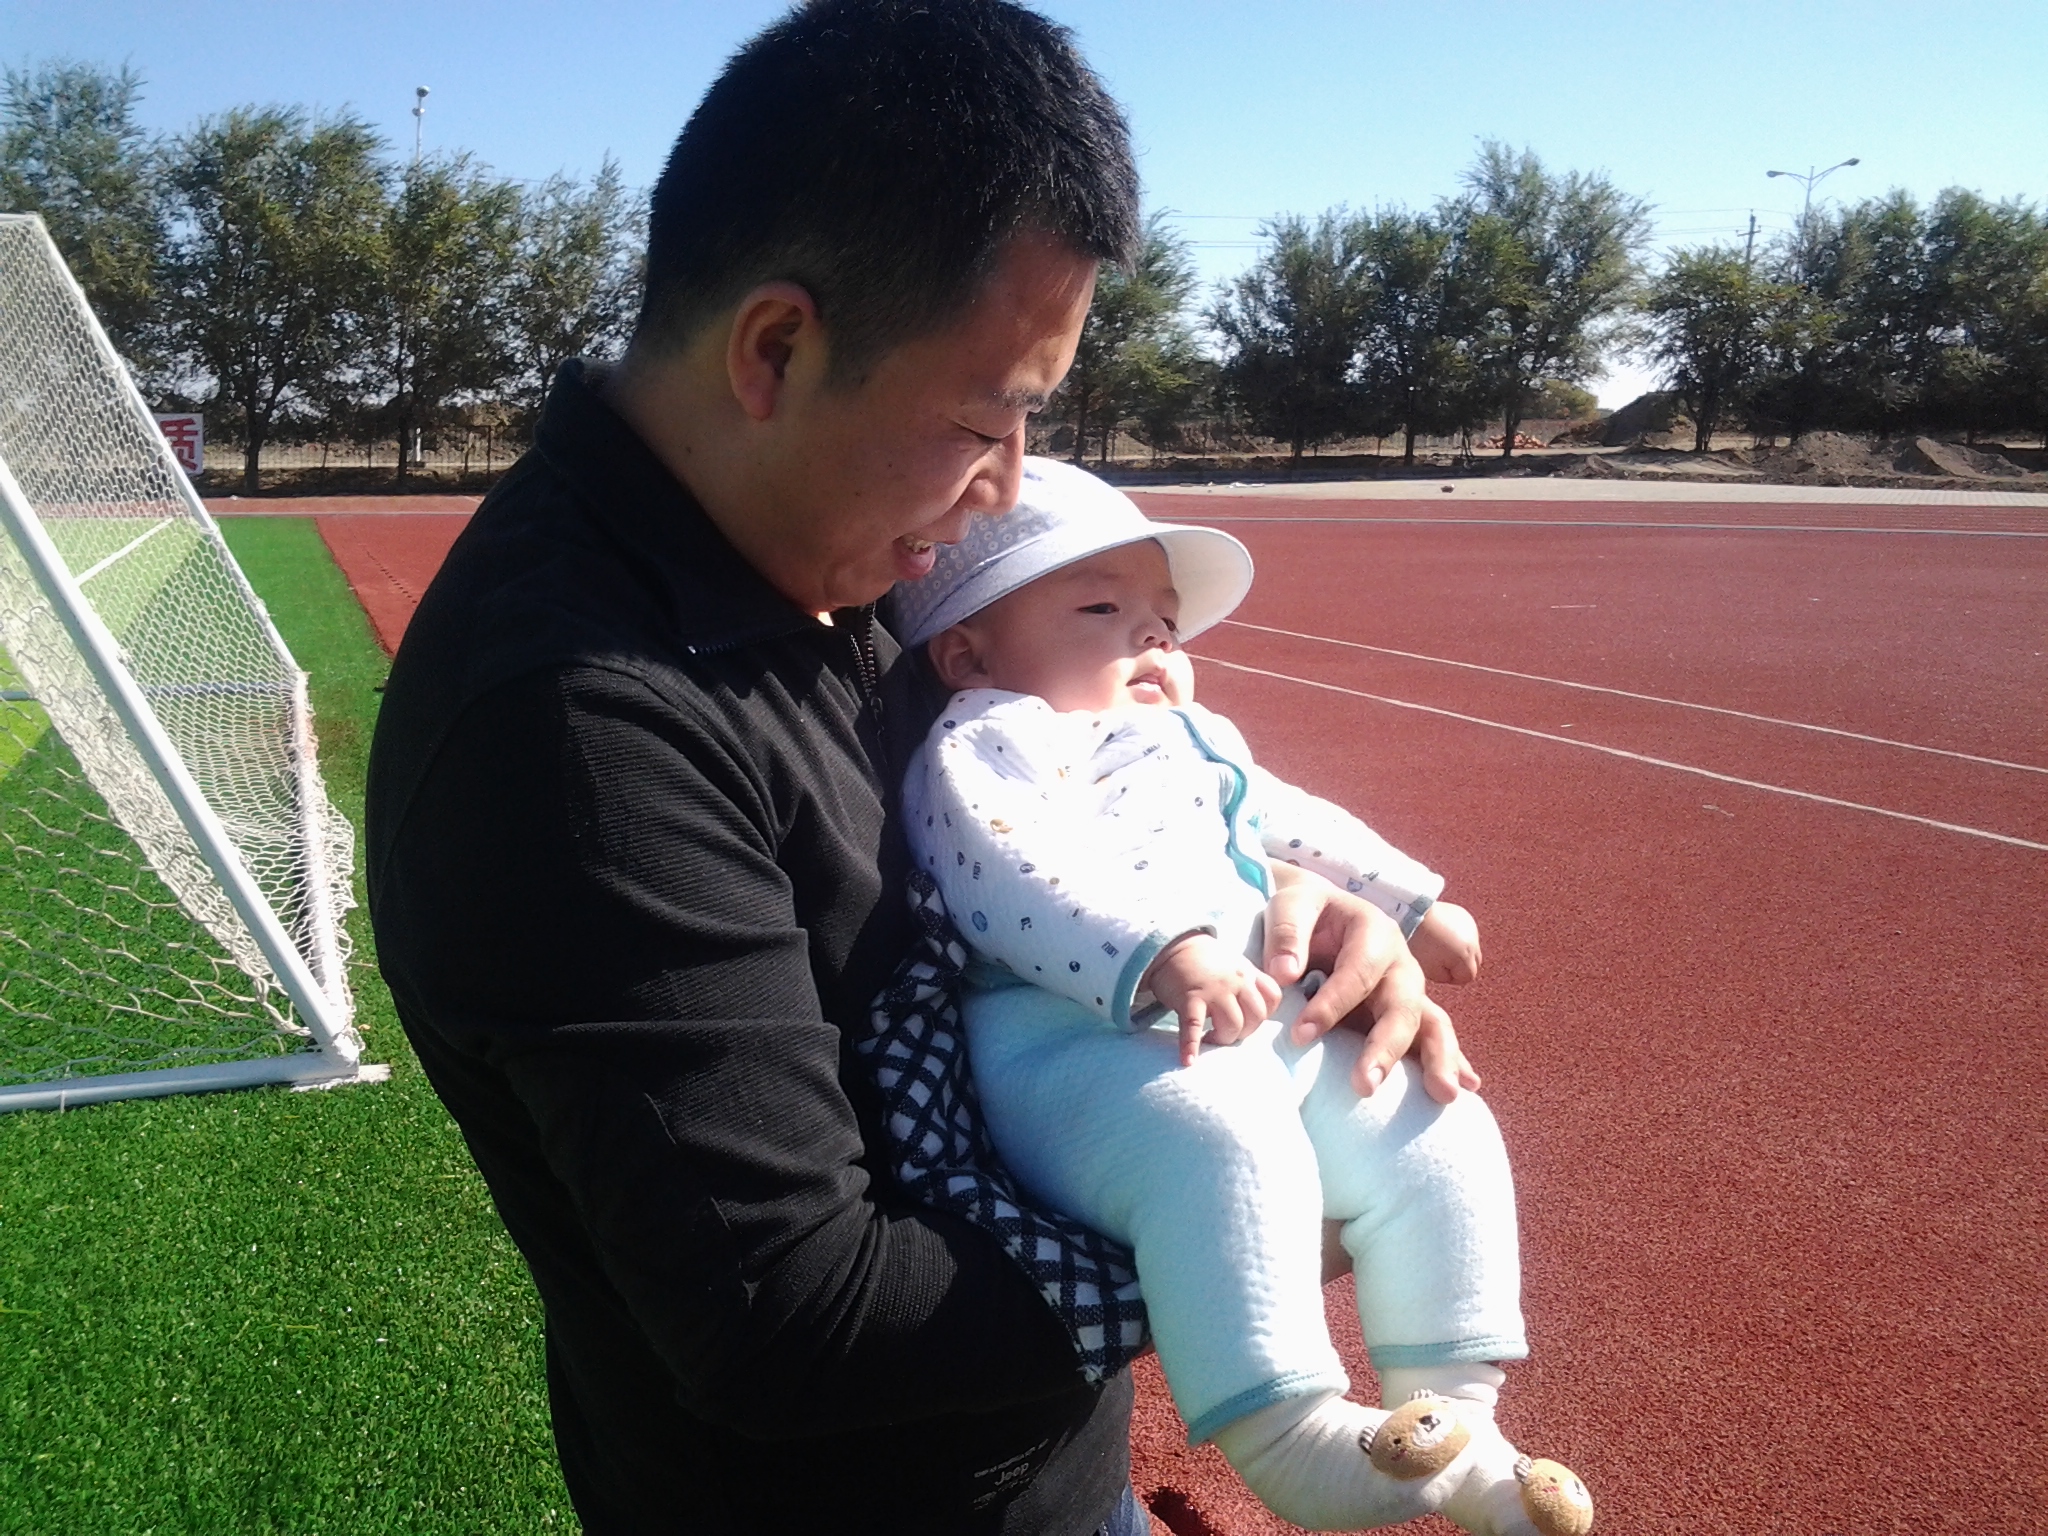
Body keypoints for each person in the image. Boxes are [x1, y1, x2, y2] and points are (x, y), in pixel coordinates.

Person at [365, 3, 1456, 1532]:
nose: (1005, 494)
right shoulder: (570, 736)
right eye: (984, 421)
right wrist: (1253, 1234)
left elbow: (1031, 805)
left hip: (1043, 1479)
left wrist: (1264, 897)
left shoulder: (832, 544)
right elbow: (792, 1313)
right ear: (776, 350)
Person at [882, 459, 1593, 1536]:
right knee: (1222, 1143)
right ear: (967, 653)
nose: (1152, 638)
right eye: (1101, 610)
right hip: (1076, 1046)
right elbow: (1005, 870)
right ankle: (1292, 1438)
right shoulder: (991, 738)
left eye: (1165, 622)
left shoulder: (1194, 738)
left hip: (1243, 1022)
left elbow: (1292, 818)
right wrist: (1157, 949)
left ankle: (1457, 1419)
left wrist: (1408, 901)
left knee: (1429, 1114)